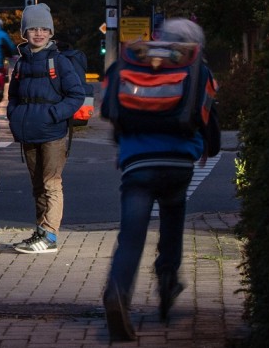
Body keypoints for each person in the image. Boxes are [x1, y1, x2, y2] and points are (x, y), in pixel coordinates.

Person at [100, 18, 217, 341]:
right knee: (172, 214)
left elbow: (111, 110)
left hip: (137, 163)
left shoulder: (130, 62)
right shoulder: (198, 69)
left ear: (159, 37)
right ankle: (167, 277)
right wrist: (205, 145)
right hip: (178, 163)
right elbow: (210, 123)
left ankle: (118, 292)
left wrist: (123, 145)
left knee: (131, 234)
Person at [6, 3, 85, 254]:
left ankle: (50, 235)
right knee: (37, 185)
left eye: (43, 28)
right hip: (28, 131)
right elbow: (14, 97)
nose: (38, 33)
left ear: (51, 32)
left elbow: (76, 95)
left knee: (51, 184)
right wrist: (14, 116)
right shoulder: (21, 64)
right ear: (24, 33)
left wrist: (53, 115)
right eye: (32, 29)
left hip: (52, 132)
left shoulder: (60, 62)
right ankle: (41, 231)